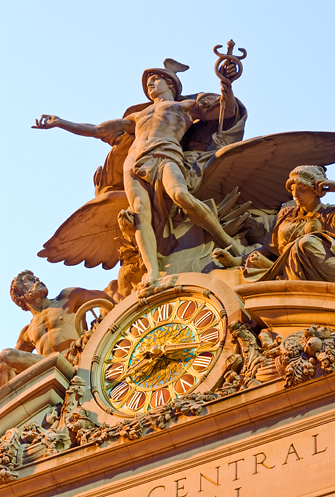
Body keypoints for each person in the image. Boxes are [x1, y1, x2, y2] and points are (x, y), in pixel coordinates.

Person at [33, 61, 244, 292]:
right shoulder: (137, 116)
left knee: (180, 195)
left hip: (165, 153)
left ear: (170, 83)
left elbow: (226, 110)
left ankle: (228, 241)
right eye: (148, 82)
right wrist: (61, 123)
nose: (151, 84)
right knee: (139, 213)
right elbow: (97, 129)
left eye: (155, 79)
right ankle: (152, 270)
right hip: (133, 162)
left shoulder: (185, 106)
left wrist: (226, 84)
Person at [212, 165, 335, 281]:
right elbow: (268, 249)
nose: (295, 195)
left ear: (317, 191)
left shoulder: (329, 214)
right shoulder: (285, 214)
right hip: (287, 269)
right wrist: (235, 261)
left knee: (307, 243)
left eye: (302, 189)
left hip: (320, 269)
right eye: (292, 189)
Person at [0, 270, 114, 386]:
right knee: (5, 358)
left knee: (6, 355)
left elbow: (106, 298)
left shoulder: (67, 297)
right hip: (51, 370)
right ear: (20, 295)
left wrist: (105, 326)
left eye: (35, 277)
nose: (37, 279)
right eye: (29, 280)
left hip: (76, 358)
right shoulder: (27, 331)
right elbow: (9, 363)